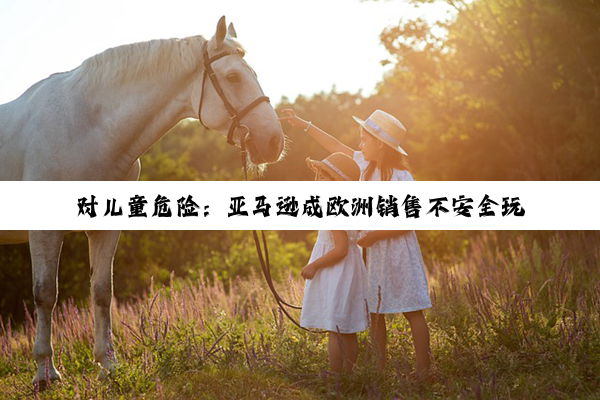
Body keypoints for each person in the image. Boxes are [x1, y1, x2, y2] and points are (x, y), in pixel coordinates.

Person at [358, 230, 432, 379]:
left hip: (399, 252)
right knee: (375, 312)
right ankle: (379, 369)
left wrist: (375, 235)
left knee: (413, 311)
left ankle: (424, 369)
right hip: (374, 254)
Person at [300, 230, 368, 374]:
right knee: (348, 329)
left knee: (335, 329)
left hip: (338, 272)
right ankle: (349, 376)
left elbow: (341, 249)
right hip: (347, 268)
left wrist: (314, 265)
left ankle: (336, 377)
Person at [279, 109, 413, 181]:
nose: (360, 145)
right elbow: (335, 145)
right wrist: (304, 125)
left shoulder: (402, 176)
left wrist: (372, 234)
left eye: (364, 140)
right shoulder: (364, 162)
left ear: (379, 143)